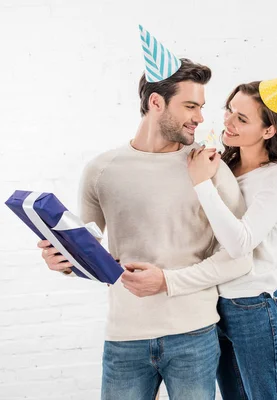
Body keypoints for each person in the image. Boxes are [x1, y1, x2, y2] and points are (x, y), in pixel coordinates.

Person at [37, 25, 252, 400]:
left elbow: (239, 258)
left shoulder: (208, 166)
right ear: (156, 103)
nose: (200, 118)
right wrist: (64, 261)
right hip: (124, 339)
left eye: (201, 106)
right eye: (190, 106)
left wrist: (167, 281)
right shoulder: (101, 171)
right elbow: (93, 255)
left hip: (194, 336)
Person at [131, 72, 277, 399]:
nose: (228, 121)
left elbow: (240, 241)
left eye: (242, 118)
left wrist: (201, 183)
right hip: (212, 304)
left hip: (254, 306)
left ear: (268, 130)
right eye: (229, 110)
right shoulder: (223, 165)